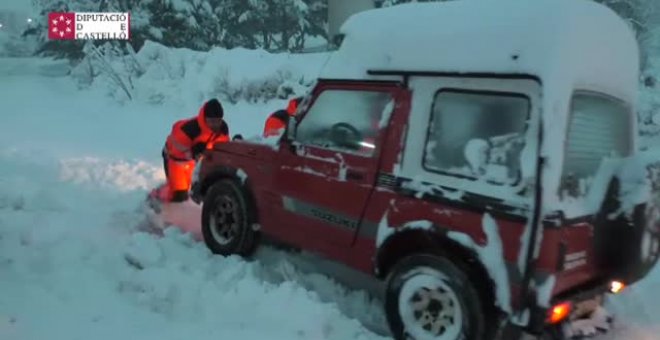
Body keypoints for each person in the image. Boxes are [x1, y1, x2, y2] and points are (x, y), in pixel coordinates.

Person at [151, 99, 230, 202]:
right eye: (212, 121)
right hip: (175, 161)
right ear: (205, 119)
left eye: (218, 121)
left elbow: (221, 148)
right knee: (179, 195)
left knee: (195, 188)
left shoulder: (223, 130)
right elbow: (174, 151)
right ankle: (157, 195)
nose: (215, 125)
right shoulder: (189, 129)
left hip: (195, 162)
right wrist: (193, 151)